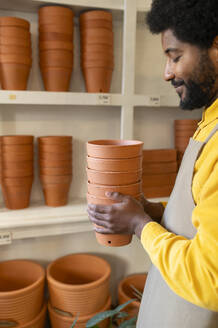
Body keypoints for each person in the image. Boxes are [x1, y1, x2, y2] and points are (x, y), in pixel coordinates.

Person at [87, 0, 218, 327]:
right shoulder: (210, 121)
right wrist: (153, 213)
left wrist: (138, 225)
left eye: (175, 57)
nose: (166, 73)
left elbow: (209, 280)